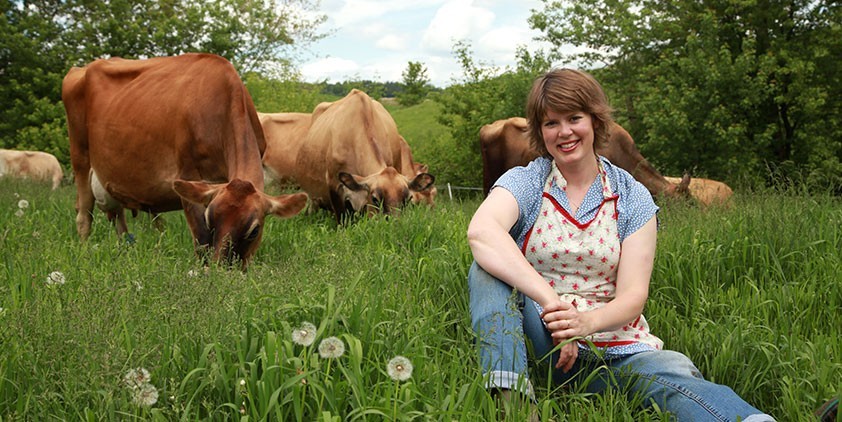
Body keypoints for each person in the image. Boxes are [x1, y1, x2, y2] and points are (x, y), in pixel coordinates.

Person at [466, 68, 775, 421]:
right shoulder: (528, 181)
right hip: (542, 339)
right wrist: (552, 303)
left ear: (595, 122)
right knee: (487, 271)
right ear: (540, 132)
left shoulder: (633, 197)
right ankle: (516, 405)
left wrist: (584, 324)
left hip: (612, 349)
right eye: (551, 123)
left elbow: (632, 296)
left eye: (574, 118)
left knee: (673, 375)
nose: (564, 132)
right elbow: (482, 232)